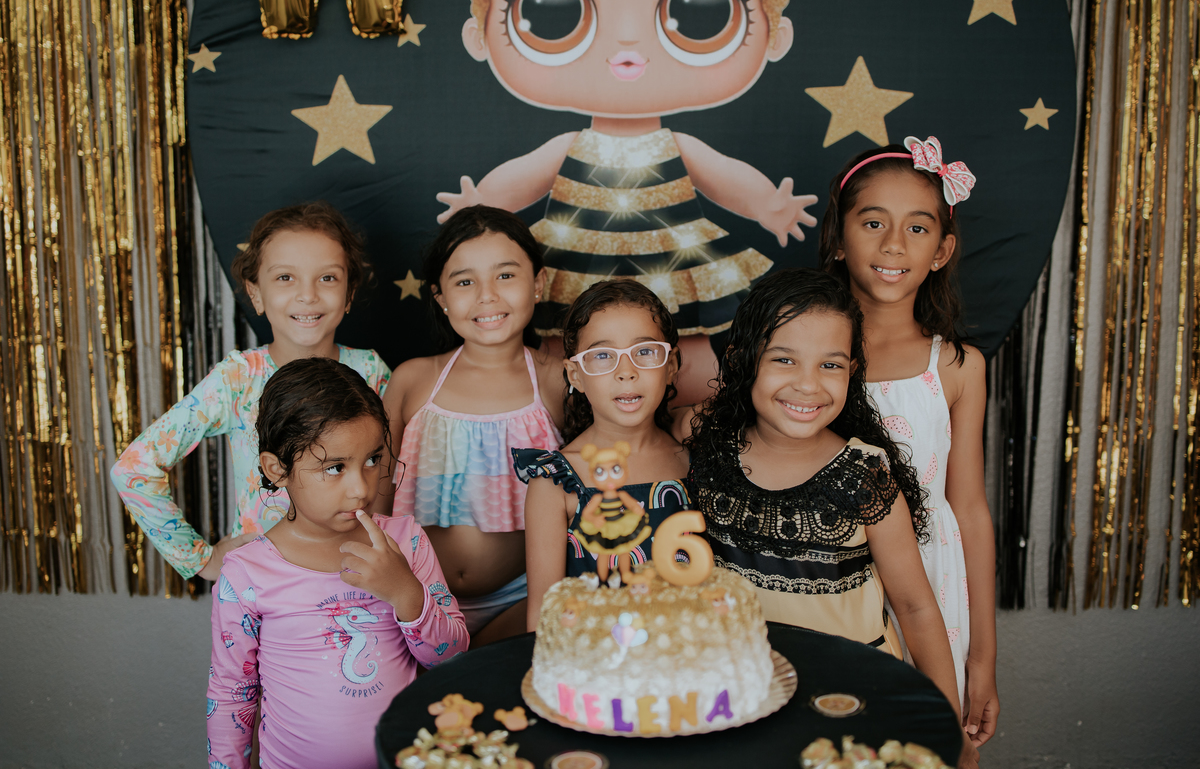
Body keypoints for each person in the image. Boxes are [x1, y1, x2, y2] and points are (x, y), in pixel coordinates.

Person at [439, 0, 820, 402]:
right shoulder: (571, 145)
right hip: (575, 258)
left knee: (687, 337)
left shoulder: (675, 144)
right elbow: (523, 177)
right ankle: (565, 422)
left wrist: (767, 203)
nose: (626, 42)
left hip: (672, 260)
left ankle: (699, 423)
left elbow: (724, 174)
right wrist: (479, 207)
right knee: (564, 338)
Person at [682, 269, 978, 768]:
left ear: (852, 372)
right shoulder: (709, 453)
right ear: (742, 360)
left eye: (830, 365)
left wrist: (946, 723)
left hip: (853, 701)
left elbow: (915, 607)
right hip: (740, 699)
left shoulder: (863, 476)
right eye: (783, 359)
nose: (807, 384)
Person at [818, 137, 998, 747]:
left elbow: (969, 510)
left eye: (917, 228)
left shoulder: (956, 367)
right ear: (839, 239)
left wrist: (982, 657)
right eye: (873, 223)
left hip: (932, 583)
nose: (894, 244)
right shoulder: (806, 361)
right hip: (831, 578)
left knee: (926, 745)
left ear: (942, 250)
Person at [207, 358, 466, 769]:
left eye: (372, 459)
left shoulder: (406, 541)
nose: (361, 488)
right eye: (335, 468)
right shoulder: (246, 573)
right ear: (277, 469)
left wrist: (405, 593)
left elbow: (450, 657)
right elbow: (231, 693)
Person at [110, 202, 389, 581]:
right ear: (255, 294)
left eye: (327, 278)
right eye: (285, 278)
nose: (307, 295)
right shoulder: (238, 380)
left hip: (355, 575)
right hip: (264, 581)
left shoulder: (370, 371)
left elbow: (394, 472)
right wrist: (201, 559)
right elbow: (134, 467)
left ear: (349, 292)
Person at [383, 206, 564, 644]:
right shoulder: (412, 380)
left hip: (522, 600)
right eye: (465, 281)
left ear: (538, 283)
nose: (487, 295)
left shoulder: (557, 381)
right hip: (413, 598)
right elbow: (375, 489)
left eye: (506, 275)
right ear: (440, 296)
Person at [514, 280, 689, 631]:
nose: (626, 371)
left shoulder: (692, 457)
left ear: (670, 365)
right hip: (594, 658)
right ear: (575, 375)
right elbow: (543, 616)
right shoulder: (555, 480)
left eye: (645, 351)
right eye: (603, 356)